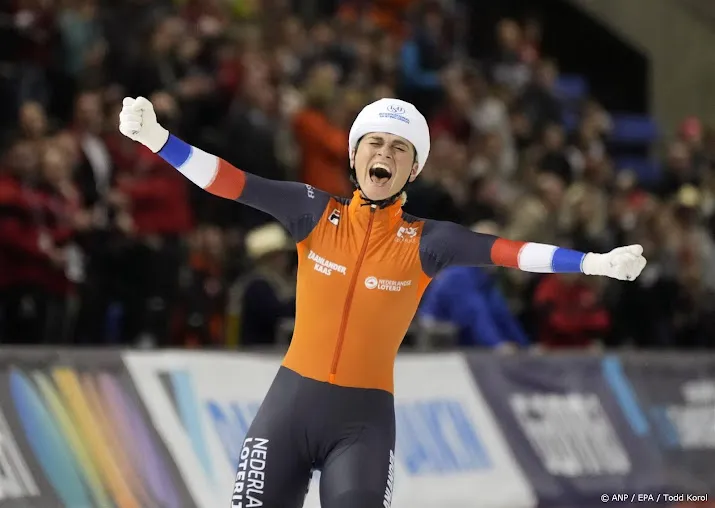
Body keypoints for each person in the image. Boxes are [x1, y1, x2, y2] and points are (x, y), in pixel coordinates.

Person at [118, 95, 646, 508]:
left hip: (361, 424)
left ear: (413, 170)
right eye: (374, 143)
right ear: (354, 154)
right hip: (288, 409)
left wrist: (592, 263)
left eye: (400, 149)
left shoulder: (428, 241)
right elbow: (229, 182)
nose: (384, 155)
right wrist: (160, 140)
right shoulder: (310, 211)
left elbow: (510, 252)